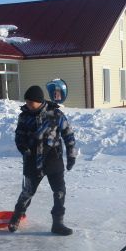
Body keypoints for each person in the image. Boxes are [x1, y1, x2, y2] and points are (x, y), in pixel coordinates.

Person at [8, 85, 77, 235]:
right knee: (27, 192)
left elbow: (68, 134)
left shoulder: (56, 114)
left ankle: (58, 223)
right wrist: (23, 148)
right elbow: (19, 136)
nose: (28, 105)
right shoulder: (24, 115)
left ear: (39, 101)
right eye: (26, 102)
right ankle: (16, 217)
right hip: (32, 160)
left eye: (30, 102)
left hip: (53, 159)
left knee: (59, 192)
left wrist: (71, 155)